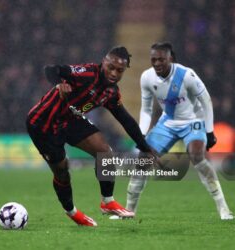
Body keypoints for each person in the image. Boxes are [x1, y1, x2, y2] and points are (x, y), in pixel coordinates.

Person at [26, 46, 153, 226]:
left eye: (120, 70)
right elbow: (51, 70)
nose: (114, 73)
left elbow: (125, 119)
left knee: (105, 153)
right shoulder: (85, 73)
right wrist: (58, 83)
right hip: (43, 123)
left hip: (70, 120)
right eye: (111, 67)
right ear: (104, 62)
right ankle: (72, 212)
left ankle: (107, 201)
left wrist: (144, 146)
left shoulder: (111, 92)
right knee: (62, 170)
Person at [125, 42, 233, 220]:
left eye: (161, 59)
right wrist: (142, 135)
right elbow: (146, 110)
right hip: (167, 123)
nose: (157, 63)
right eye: (154, 59)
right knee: (143, 159)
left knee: (197, 156)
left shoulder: (186, 75)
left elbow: (205, 100)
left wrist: (209, 131)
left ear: (171, 59)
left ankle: (223, 208)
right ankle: (128, 211)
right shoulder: (147, 77)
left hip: (193, 121)